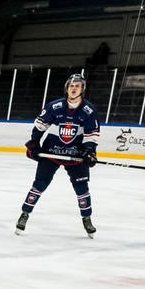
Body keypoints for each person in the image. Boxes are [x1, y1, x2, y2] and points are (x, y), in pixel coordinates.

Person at [16, 72, 99, 238]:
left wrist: (90, 151)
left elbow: (91, 134)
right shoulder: (54, 106)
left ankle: (87, 218)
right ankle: (25, 214)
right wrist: (34, 143)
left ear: (82, 89)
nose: (74, 89)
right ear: (67, 88)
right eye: (71, 86)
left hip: (76, 154)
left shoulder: (89, 110)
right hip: (51, 152)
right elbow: (40, 126)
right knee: (39, 184)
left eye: (78, 86)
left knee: (82, 188)